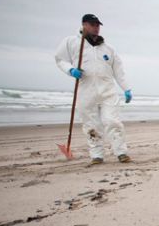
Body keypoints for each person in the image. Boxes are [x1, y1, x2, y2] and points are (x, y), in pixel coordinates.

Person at [55, 13, 132, 164]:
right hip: (86, 91)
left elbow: (119, 70)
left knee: (112, 121)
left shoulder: (108, 48)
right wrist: (70, 70)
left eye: (97, 25)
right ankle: (97, 155)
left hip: (107, 91)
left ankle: (121, 152)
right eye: (92, 24)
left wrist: (126, 88)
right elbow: (60, 59)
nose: (96, 28)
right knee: (91, 125)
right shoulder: (72, 42)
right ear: (84, 25)